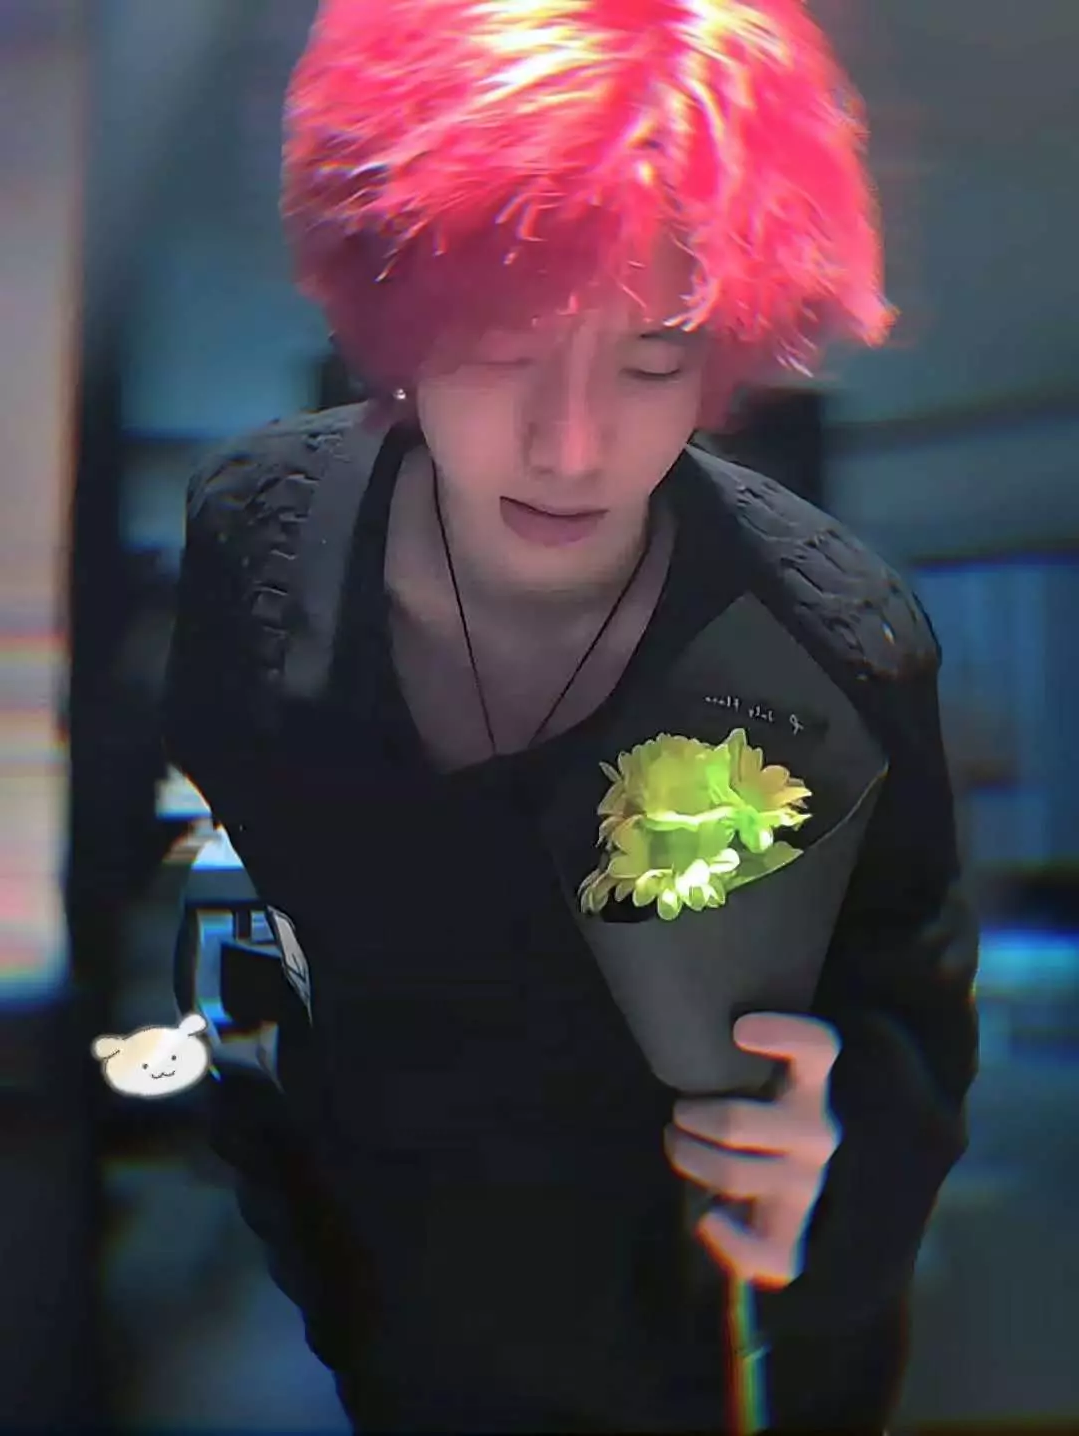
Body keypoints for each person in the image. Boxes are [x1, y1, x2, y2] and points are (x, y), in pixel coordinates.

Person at [162, 0, 979, 1429]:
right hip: (391, 1322)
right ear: (396, 314)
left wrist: (834, 1161)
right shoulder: (257, 533)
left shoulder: (824, 641)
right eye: (504, 345)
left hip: (706, 1357)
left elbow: (906, 1005)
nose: (575, 443)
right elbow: (234, 858)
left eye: (655, 359)